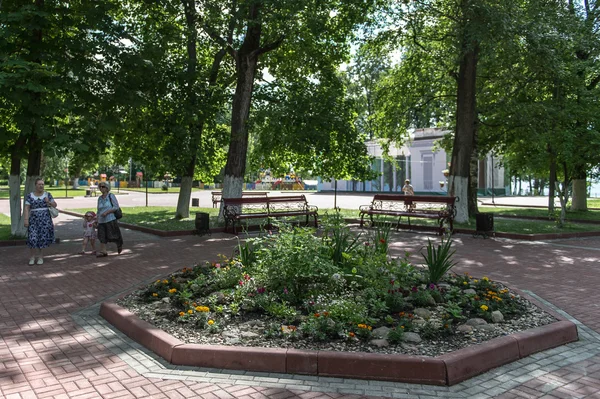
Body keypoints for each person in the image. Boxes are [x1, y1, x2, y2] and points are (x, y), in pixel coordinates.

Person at [23, 178, 57, 265]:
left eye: (42, 184)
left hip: (45, 220)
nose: (41, 186)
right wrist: (26, 220)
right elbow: (26, 208)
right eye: (39, 184)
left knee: (42, 238)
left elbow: (55, 205)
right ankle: (32, 257)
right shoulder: (30, 196)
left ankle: (40, 257)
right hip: (33, 220)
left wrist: (48, 201)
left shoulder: (47, 195)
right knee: (32, 238)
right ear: (35, 185)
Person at [96, 182, 123, 257]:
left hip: (110, 219)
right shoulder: (100, 198)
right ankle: (103, 251)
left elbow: (116, 207)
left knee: (113, 235)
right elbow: (98, 210)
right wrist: (96, 219)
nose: (101, 188)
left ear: (107, 188)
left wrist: (107, 212)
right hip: (101, 220)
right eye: (100, 187)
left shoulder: (111, 196)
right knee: (101, 236)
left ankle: (119, 243)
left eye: (103, 187)